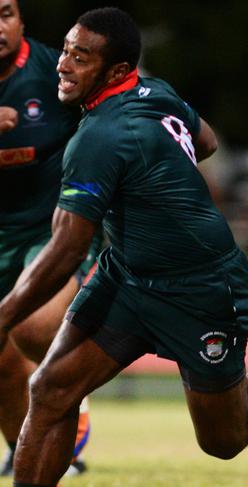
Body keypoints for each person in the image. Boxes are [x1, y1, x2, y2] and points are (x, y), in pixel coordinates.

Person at [0, 8, 248, 487]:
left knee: (224, 439)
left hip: (201, 287)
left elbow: (66, 251)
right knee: (50, 389)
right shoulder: (156, 93)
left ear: (115, 72)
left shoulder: (101, 137)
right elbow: (206, 140)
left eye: (80, 58)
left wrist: (2, 316)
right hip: (128, 277)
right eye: (66, 50)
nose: (63, 65)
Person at [0, 0, 92, 476]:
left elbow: (107, 117)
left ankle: (69, 395)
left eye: (5, 13)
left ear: (21, 20)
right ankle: (28, 447)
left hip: (51, 229)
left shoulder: (54, 70)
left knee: (31, 326)